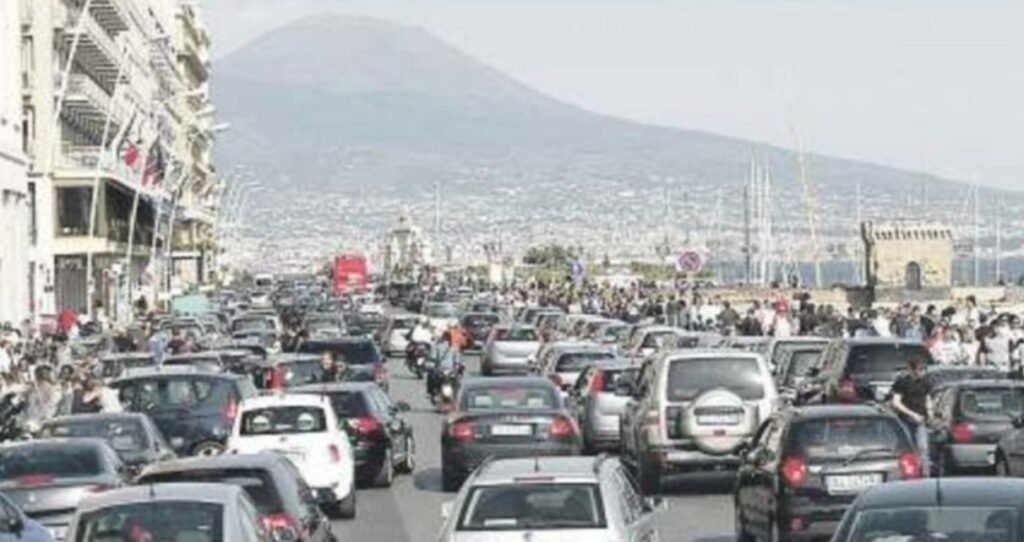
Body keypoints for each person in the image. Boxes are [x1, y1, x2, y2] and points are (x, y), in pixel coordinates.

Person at [891, 357, 933, 474]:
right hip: (905, 420)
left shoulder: (925, 382)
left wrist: (930, 412)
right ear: (912, 370)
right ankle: (910, 473)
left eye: (924, 369)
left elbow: (927, 398)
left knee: (923, 448)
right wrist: (912, 414)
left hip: (920, 420)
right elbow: (896, 403)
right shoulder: (902, 382)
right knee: (908, 448)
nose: (922, 372)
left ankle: (925, 474)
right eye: (920, 370)